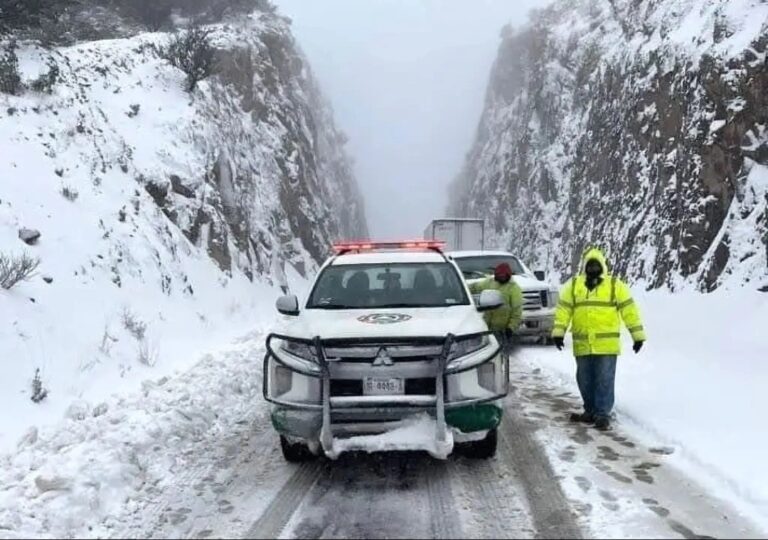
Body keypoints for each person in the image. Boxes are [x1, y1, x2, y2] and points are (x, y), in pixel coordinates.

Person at [551, 247, 646, 432]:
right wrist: (558, 332)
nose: (592, 268)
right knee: (584, 379)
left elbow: (629, 310)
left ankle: (602, 414)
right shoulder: (574, 285)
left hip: (606, 345)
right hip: (582, 344)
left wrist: (637, 335)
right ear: (585, 266)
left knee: (604, 380)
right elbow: (564, 310)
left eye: (596, 265)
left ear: (602, 266)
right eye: (589, 265)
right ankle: (590, 410)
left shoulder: (614, 285)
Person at [470, 263, 523, 354]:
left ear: (508, 275)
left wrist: (511, 328)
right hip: (485, 328)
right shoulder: (489, 282)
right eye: (498, 276)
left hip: (502, 330)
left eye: (503, 276)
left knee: (499, 354)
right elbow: (474, 287)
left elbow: (517, 312)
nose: (500, 278)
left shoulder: (514, 289)